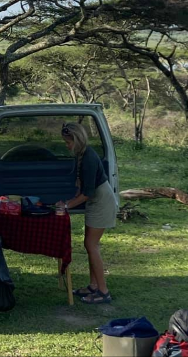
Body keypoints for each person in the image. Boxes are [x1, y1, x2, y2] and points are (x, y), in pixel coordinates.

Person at [55, 122, 116, 304]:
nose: (67, 146)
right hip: (96, 200)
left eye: (68, 142)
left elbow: (87, 194)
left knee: (92, 246)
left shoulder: (88, 157)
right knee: (89, 245)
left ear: (77, 140)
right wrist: (68, 201)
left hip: (101, 201)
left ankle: (103, 292)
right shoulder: (81, 155)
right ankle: (93, 286)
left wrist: (67, 206)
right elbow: (81, 185)